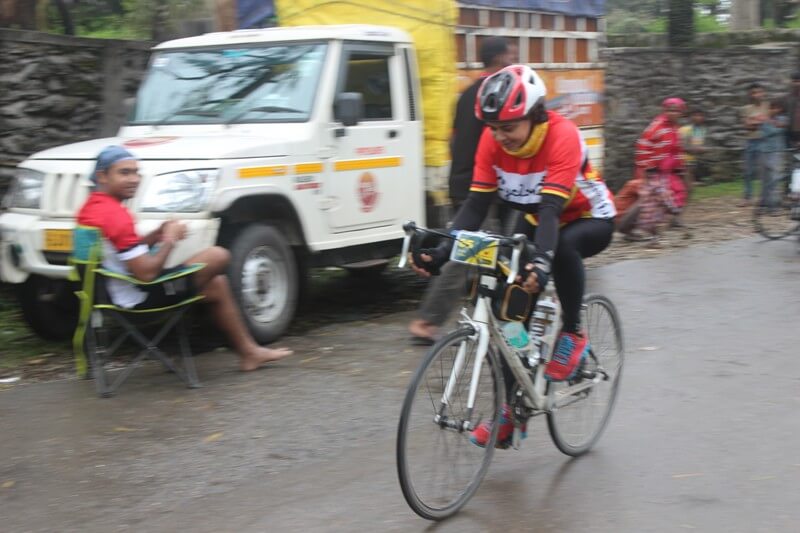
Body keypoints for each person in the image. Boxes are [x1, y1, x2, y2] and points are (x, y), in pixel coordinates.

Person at [411, 65, 616, 447]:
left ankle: (572, 333)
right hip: (539, 218)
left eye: (508, 127)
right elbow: (474, 208)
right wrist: (441, 252)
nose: (499, 136)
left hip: (588, 217)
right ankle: (511, 413)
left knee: (561, 249)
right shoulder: (493, 142)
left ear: (535, 113)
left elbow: (554, 215)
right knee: (508, 315)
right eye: (493, 128)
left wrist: (541, 261)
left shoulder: (561, 135)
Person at [76, 146, 293, 371]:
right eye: (124, 173)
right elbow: (147, 273)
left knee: (217, 285)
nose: (134, 179)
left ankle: (249, 353)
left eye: (136, 172)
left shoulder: (93, 208)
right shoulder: (115, 215)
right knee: (218, 255)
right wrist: (170, 240)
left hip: (111, 296)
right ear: (102, 176)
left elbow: (121, 252)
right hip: (138, 301)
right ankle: (212, 345)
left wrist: (155, 235)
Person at [408, 36, 516, 344]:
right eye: (511, 56)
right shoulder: (497, 96)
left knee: (497, 253)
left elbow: (456, 139)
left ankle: (503, 318)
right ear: (498, 59)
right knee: (468, 252)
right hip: (480, 188)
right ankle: (427, 322)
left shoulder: (466, 94)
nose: (514, 63)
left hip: (463, 181)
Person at [623, 97, 686, 244]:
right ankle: (633, 229)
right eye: (670, 110)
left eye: (676, 111)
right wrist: (648, 167)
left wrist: (679, 166)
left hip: (666, 170)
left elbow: (676, 150)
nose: (673, 113)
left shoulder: (674, 128)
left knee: (668, 195)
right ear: (665, 111)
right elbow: (642, 145)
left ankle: (651, 228)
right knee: (651, 199)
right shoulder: (657, 127)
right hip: (652, 169)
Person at [740, 83, 769, 207]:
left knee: (763, 170)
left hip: (764, 141)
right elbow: (747, 126)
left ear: (763, 93)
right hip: (750, 142)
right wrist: (760, 122)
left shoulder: (768, 106)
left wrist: (754, 122)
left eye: (759, 92)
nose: (757, 95)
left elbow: (769, 123)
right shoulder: (746, 109)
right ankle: (747, 197)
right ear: (750, 95)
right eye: (754, 93)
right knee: (748, 171)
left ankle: (764, 197)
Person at [758, 98, 788, 209]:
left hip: (777, 151)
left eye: (777, 108)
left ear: (780, 109)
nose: (774, 110)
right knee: (764, 178)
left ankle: (774, 204)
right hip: (764, 150)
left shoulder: (783, 118)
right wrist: (776, 126)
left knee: (775, 178)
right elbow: (767, 131)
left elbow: (781, 129)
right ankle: (764, 202)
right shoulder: (765, 120)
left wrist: (775, 125)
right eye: (772, 108)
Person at [679, 108, 710, 185]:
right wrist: (696, 149)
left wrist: (703, 149)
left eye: (700, 115)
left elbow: (704, 145)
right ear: (690, 117)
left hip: (696, 161)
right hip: (684, 161)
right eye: (695, 115)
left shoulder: (704, 130)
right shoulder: (684, 129)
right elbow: (682, 146)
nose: (698, 118)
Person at [785, 71, 800, 147]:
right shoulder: (788, 97)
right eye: (794, 81)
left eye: (798, 81)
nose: (796, 84)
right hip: (791, 132)